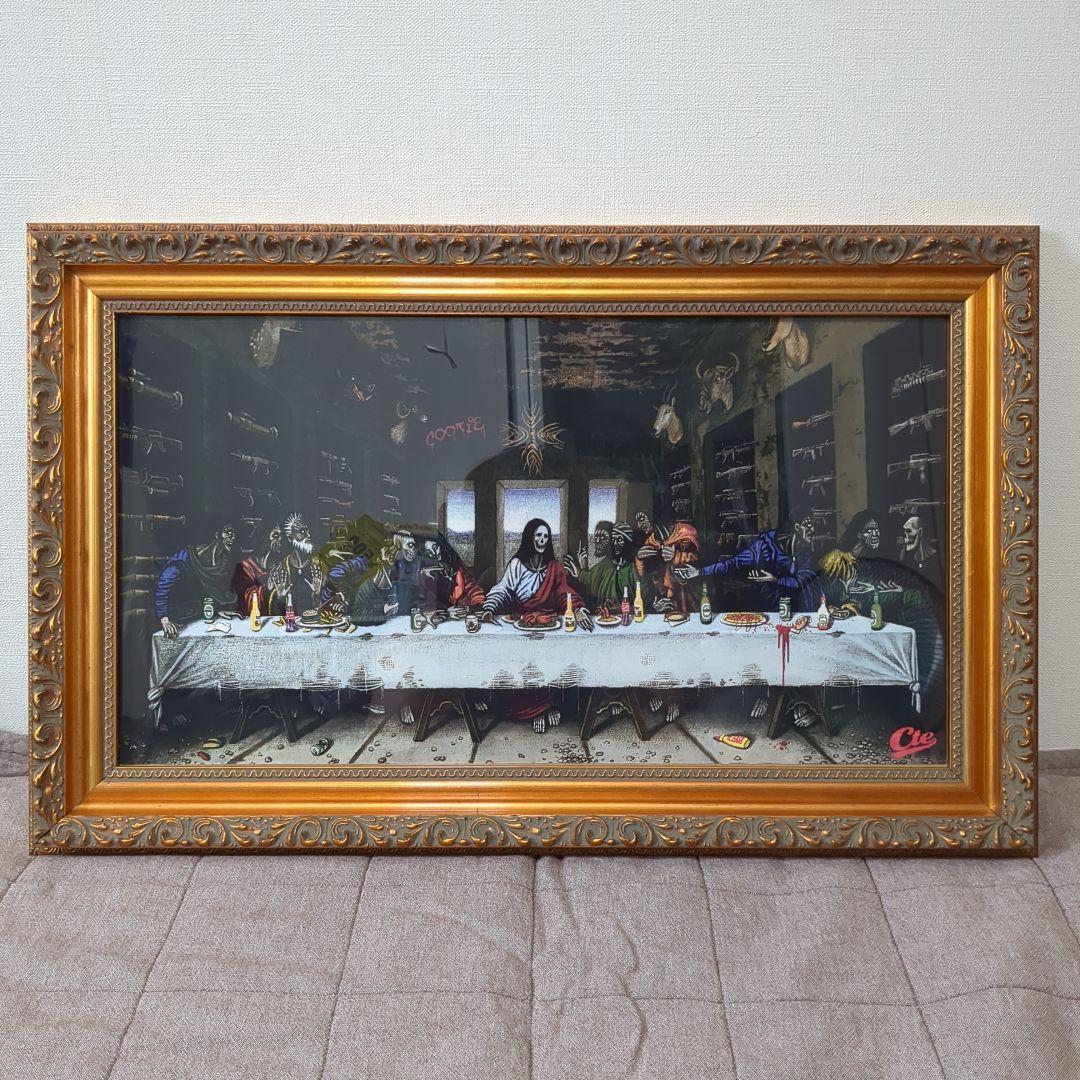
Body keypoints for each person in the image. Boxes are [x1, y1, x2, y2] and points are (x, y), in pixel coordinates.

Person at [481, 518, 593, 732]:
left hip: (550, 625)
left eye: (546, 536)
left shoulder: (554, 567)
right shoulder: (516, 565)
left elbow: (565, 593)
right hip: (522, 626)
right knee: (523, 660)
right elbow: (503, 589)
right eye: (538, 536)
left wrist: (578, 608)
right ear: (529, 538)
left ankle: (551, 706)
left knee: (556, 657)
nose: (542, 540)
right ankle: (534, 711)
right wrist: (489, 608)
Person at [675, 505, 818, 612]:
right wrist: (700, 572)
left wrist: (775, 579)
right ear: (797, 527)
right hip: (769, 605)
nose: (813, 530)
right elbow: (733, 563)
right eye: (809, 526)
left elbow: (801, 581)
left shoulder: (804, 552)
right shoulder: (765, 545)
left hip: (798, 606)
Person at [155, 520, 238, 638]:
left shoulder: (223, 561)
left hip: (197, 614)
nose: (232, 537)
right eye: (228, 532)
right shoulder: (186, 558)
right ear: (217, 535)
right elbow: (163, 585)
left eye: (234, 533)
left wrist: (217, 609)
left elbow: (208, 591)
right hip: (176, 616)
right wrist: (164, 619)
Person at [633, 508, 700, 612]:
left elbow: (698, 559)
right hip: (664, 595)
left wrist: (676, 556)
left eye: (642, 519)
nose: (639, 525)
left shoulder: (685, 531)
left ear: (653, 516)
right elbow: (643, 575)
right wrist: (639, 559)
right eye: (638, 522)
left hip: (688, 591)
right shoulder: (650, 542)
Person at [563, 520, 638, 612]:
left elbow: (640, 603)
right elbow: (589, 578)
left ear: (627, 541)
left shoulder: (633, 569)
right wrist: (578, 572)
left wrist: (616, 609)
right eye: (613, 540)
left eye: (620, 540)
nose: (615, 543)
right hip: (602, 615)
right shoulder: (605, 564)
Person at [418, 533, 486, 616]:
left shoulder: (456, 563)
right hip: (442, 617)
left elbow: (472, 588)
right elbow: (427, 603)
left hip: (464, 614)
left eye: (435, 547)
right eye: (428, 551)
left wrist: (473, 607)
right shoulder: (426, 573)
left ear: (441, 545)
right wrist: (446, 612)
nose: (434, 553)